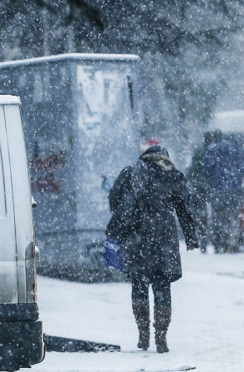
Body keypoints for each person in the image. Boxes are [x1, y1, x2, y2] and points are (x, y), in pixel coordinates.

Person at [106, 145, 199, 353]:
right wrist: (191, 237)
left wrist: (123, 222)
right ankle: (161, 337)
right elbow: (185, 208)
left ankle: (143, 334)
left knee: (139, 283)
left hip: (137, 237)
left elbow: (114, 199)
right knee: (162, 285)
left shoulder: (130, 172)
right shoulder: (172, 174)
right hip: (164, 237)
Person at [202, 136, 244, 253]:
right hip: (234, 189)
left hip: (217, 189)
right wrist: (237, 182)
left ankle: (218, 242)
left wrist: (212, 183)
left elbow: (207, 169)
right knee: (232, 215)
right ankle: (231, 242)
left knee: (218, 216)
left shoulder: (213, 150)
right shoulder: (236, 150)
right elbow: (242, 169)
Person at [186, 130, 220, 253]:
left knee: (201, 215)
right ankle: (217, 242)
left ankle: (203, 240)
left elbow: (192, 170)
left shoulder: (199, 152)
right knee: (216, 215)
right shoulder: (216, 151)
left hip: (199, 189)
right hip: (214, 188)